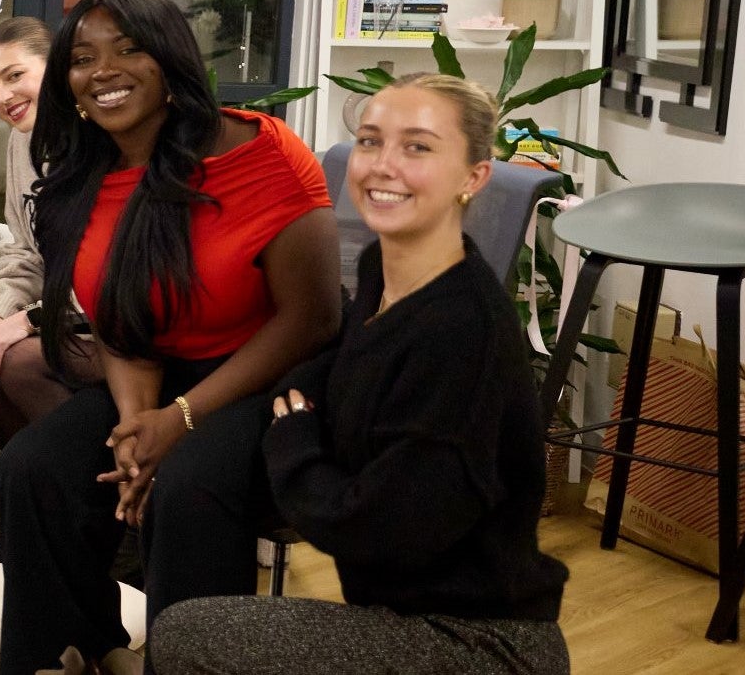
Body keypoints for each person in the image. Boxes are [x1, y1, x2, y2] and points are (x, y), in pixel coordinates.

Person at [146, 74, 571, 675]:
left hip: (475, 643)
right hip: (404, 610)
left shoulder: (459, 332)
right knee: (196, 488)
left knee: (191, 634)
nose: (382, 166)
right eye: (370, 142)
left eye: (418, 147)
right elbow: (347, 357)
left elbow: (372, 527)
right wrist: (289, 400)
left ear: (473, 177)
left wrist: (292, 438)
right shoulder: (382, 268)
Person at [0, 0, 340, 675]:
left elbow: (313, 317)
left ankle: (190, 665)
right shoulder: (86, 173)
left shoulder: (263, 155)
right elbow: (120, 318)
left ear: (171, 58)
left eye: (129, 49)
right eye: (84, 57)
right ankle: (77, 652)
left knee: (189, 484)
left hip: (277, 378)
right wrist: (137, 426)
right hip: (163, 370)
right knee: (33, 468)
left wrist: (180, 420)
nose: (105, 71)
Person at [0, 16, 97, 443]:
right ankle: (45, 488)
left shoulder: (98, 140)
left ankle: (93, 481)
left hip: (104, 324)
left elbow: (98, 265)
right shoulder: (23, 141)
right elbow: (26, 253)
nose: (4, 97)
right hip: (59, 322)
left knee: (13, 361)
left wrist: (28, 321)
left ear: (54, 65)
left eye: (14, 76)